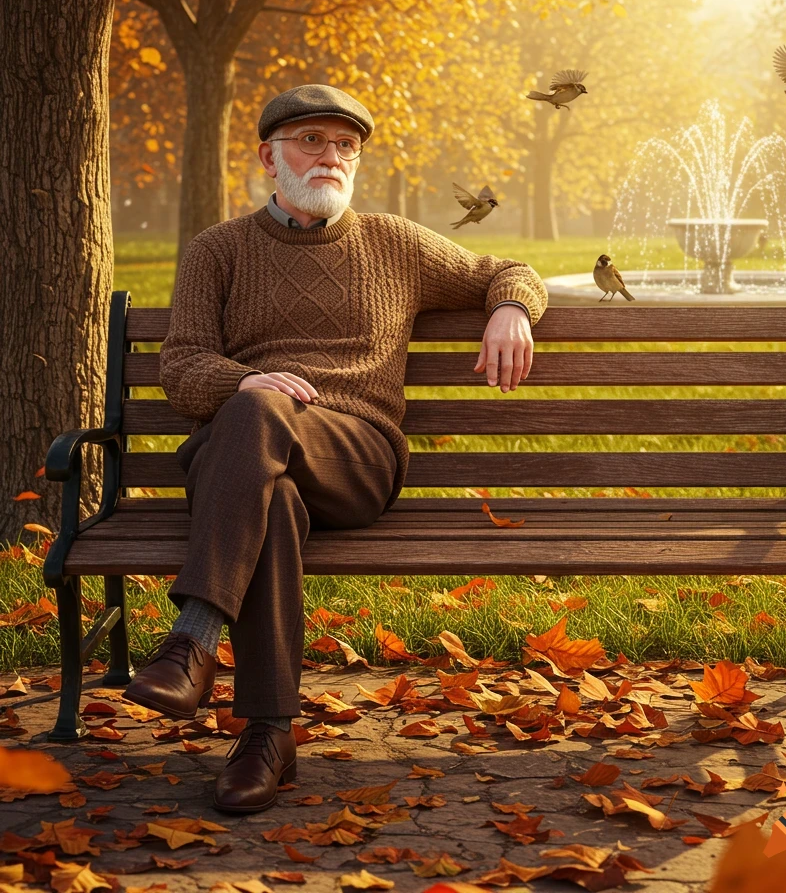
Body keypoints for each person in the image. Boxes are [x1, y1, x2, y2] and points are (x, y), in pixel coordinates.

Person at [123, 84, 547, 813]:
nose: (331, 157)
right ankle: (268, 734)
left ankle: (192, 638)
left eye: (345, 145)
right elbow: (182, 368)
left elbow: (506, 270)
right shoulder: (217, 251)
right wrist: (250, 378)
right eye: (311, 141)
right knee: (272, 488)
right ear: (269, 157)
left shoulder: (397, 244)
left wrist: (510, 310)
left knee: (262, 416)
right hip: (241, 460)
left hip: (354, 454)